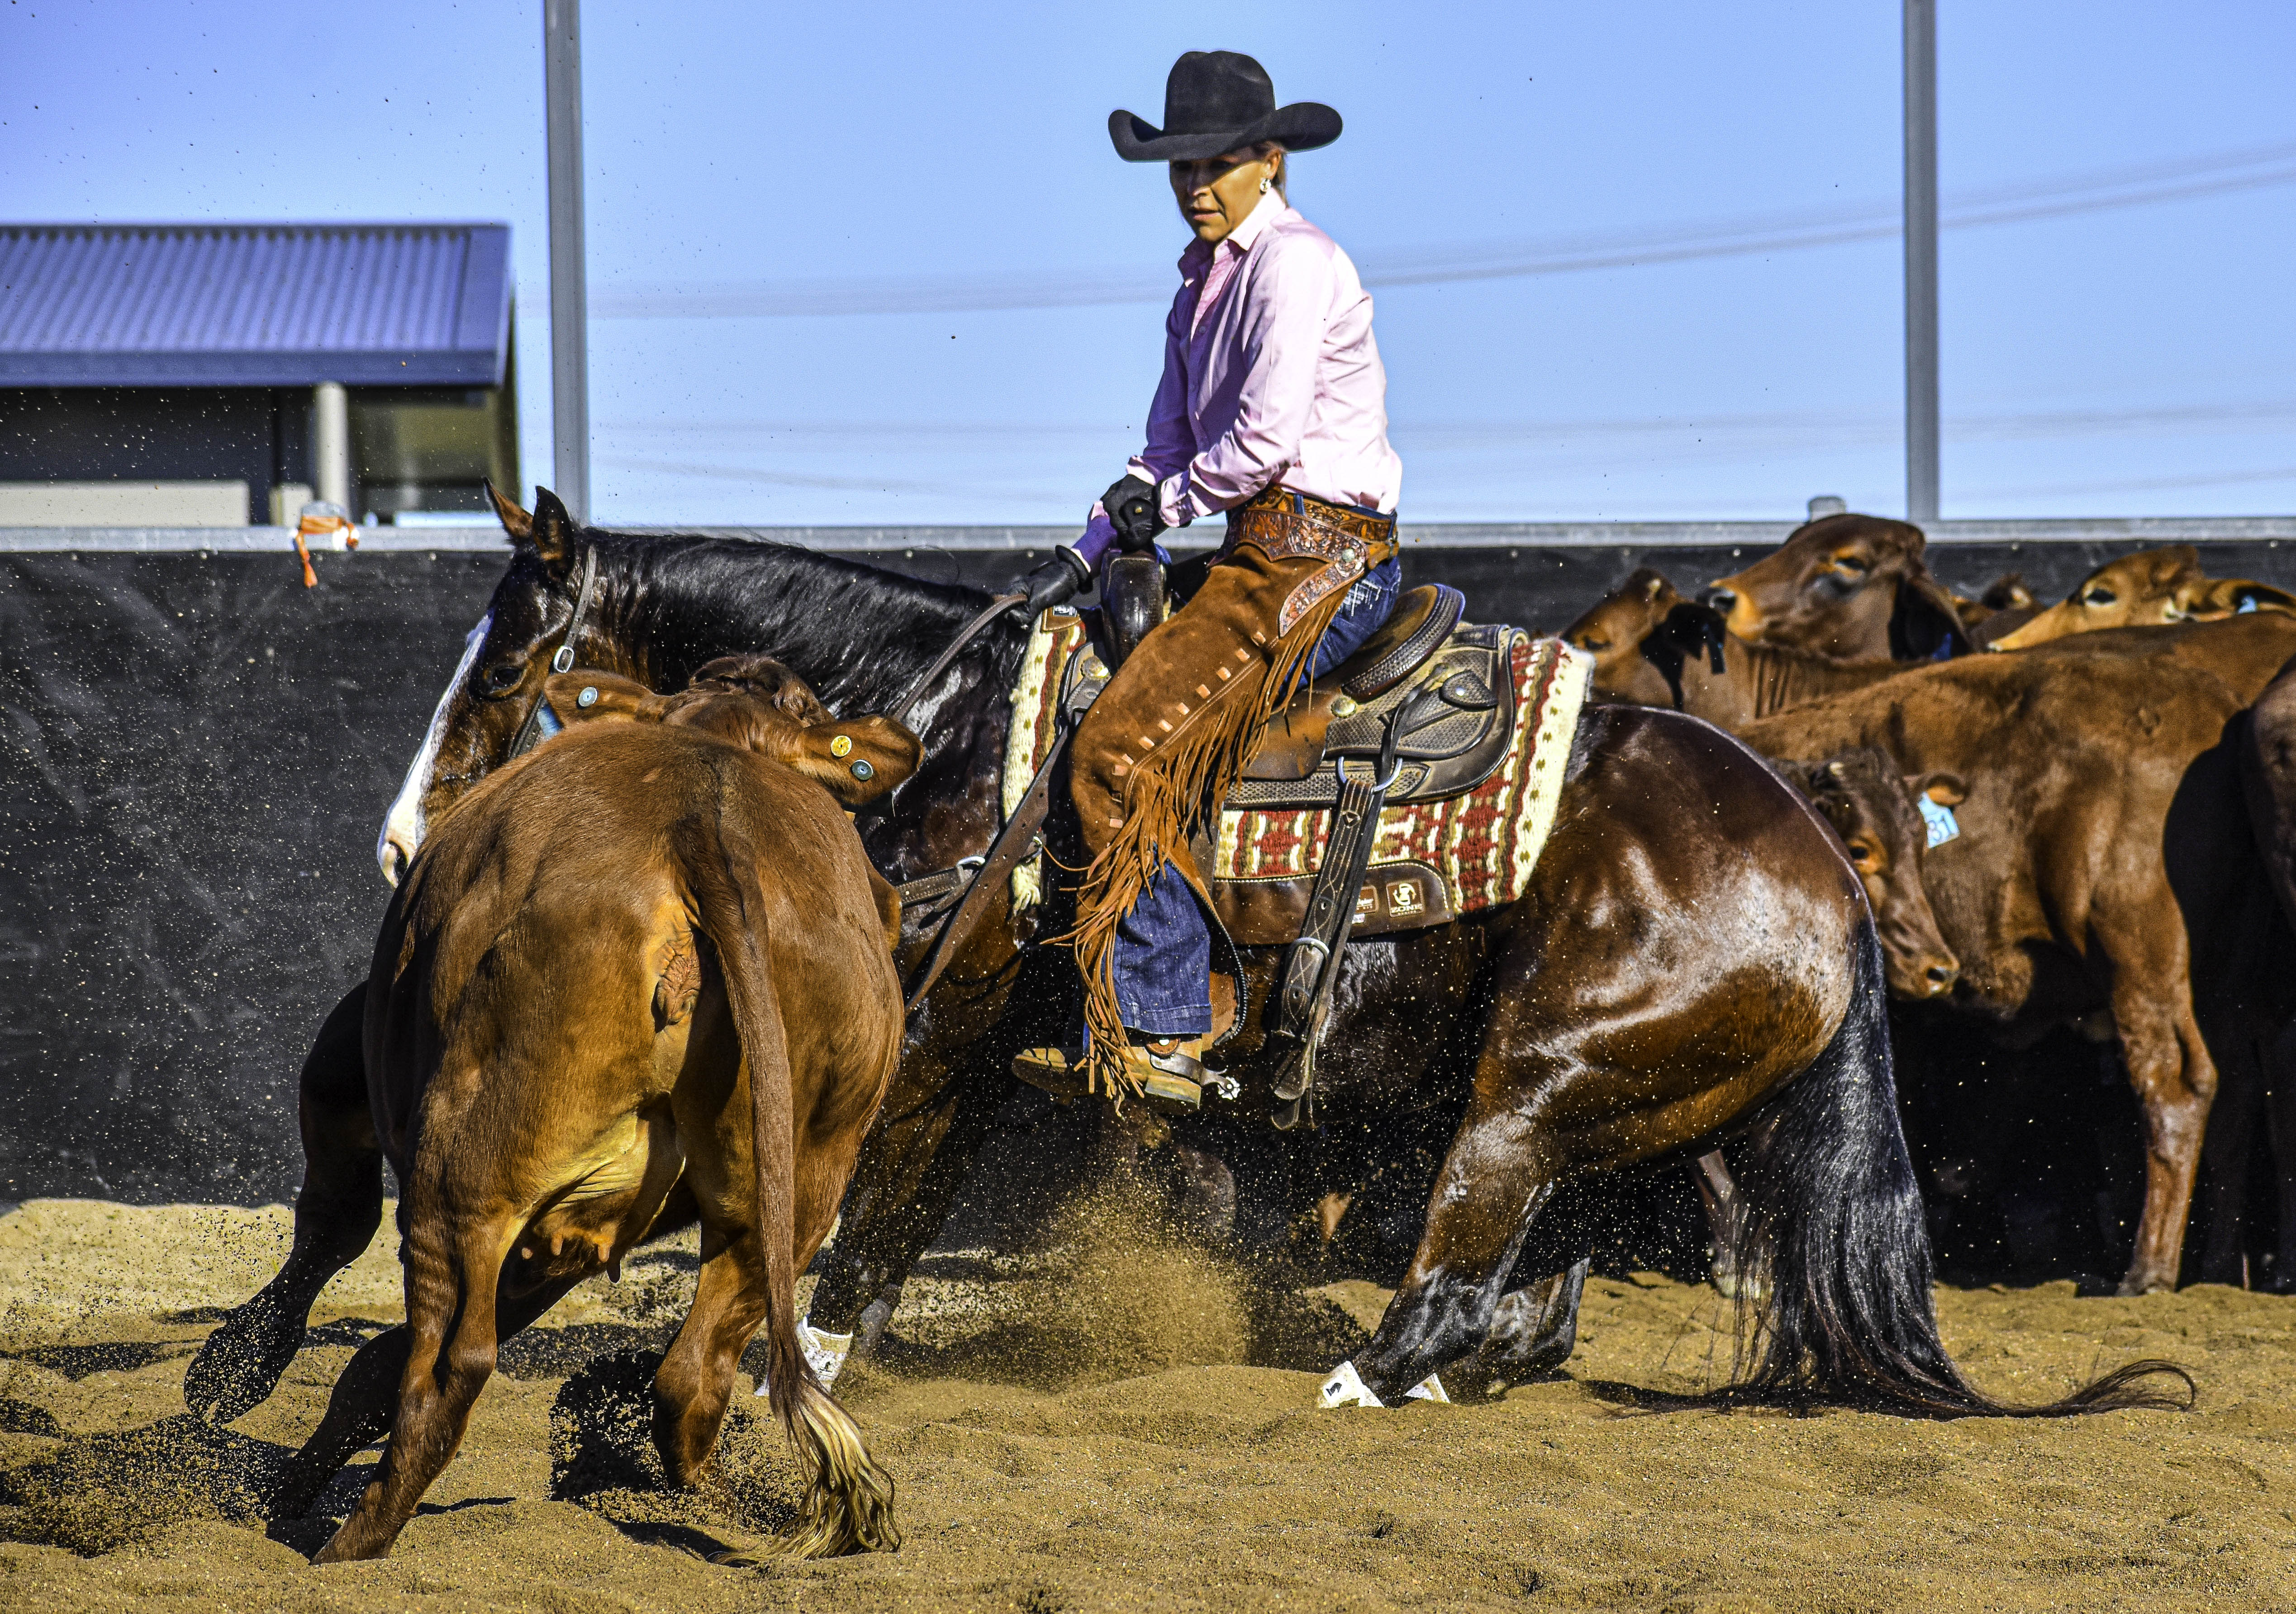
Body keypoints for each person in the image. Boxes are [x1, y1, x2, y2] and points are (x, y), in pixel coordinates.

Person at [1008, 50, 1404, 1112]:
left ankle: (1165, 1027)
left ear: (1270, 161)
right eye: (1181, 165)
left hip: (1320, 558)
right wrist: (1085, 548)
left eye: (1216, 163)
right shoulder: (1198, 285)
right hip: (1258, 552)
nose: (1194, 183)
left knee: (1122, 752)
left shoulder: (1295, 265)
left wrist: (1166, 506)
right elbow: (1165, 449)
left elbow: (1259, 445)